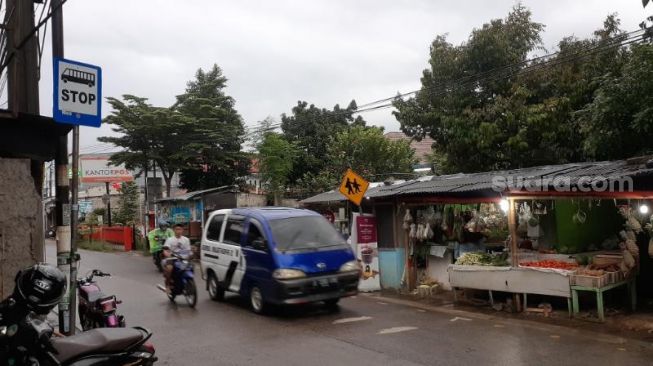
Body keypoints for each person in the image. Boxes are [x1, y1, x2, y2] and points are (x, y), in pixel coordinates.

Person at [162, 224, 191, 293]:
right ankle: (167, 285)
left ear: (182, 230)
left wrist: (190, 254)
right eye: (177, 229)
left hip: (183, 258)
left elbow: (189, 250)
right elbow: (166, 250)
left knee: (190, 267)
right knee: (169, 268)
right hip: (172, 258)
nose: (178, 231)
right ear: (174, 230)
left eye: (180, 229)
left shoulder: (186, 240)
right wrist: (167, 254)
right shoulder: (170, 240)